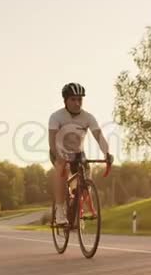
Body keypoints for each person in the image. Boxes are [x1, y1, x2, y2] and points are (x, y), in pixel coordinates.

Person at [48, 82, 113, 225]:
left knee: (85, 183)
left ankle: (77, 210)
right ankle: (59, 211)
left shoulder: (88, 117)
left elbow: (99, 136)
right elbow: (52, 141)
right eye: (73, 99)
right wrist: (59, 156)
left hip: (78, 153)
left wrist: (107, 153)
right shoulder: (56, 117)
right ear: (65, 100)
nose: (77, 103)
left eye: (80, 99)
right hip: (59, 152)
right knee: (62, 168)